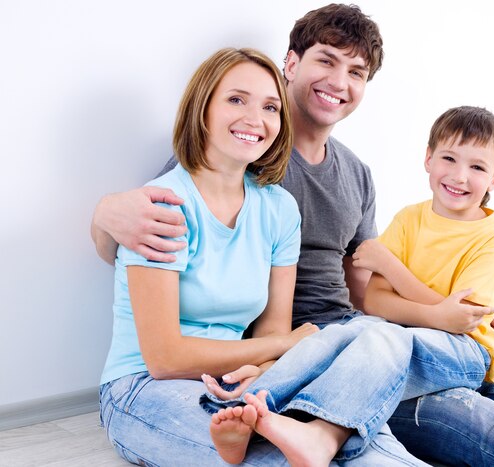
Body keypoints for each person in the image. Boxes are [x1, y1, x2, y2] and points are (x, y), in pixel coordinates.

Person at [92, 3, 494, 465]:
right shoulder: (240, 156)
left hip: (358, 340)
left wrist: (450, 309)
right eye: (326, 60)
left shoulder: (353, 174)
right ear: (291, 64)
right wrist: (104, 213)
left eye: (356, 72)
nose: (339, 82)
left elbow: (364, 287)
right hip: (304, 357)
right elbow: (148, 239)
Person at [98, 46, 428, 467]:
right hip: (145, 388)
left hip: (245, 379)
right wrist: (283, 346)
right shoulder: (163, 206)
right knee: (280, 457)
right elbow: (165, 358)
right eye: (236, 100)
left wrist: (268, 367)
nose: (255, 119)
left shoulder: (278, 208)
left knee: (383, 339)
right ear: (202, 108)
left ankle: (321, 436)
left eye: (271, 106)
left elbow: (271, 330)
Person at [356, 105, 494, 386]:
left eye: (477, 167)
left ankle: (322, 426)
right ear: (429, 158)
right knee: (352, 334)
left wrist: (389, 267)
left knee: (378, 348)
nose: (459, 176)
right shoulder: (408, 219)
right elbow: (375, 301)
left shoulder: (493, 237)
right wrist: (439, 314)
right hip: (402, 336)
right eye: (449, 158)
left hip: (466, 351)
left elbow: (461, 319)